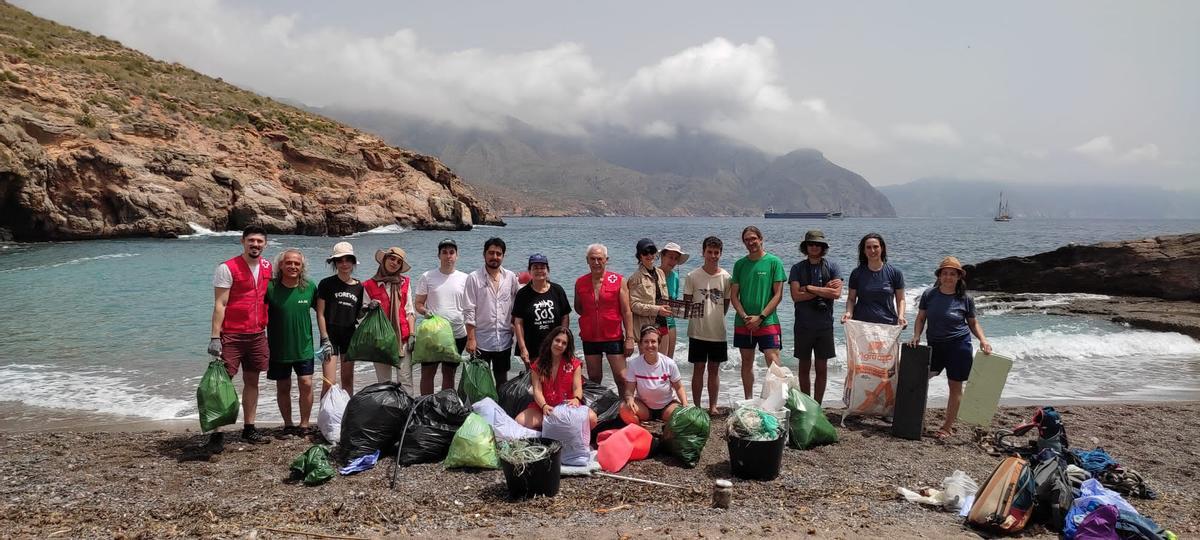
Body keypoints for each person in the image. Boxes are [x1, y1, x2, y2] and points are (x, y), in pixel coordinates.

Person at [909, 256, 992, 440]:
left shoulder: (965, 298)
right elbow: (921, 318)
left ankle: (947, 426)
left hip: (959, 346)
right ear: (939, 276)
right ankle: (914, 419)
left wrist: (983, 340)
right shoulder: (929, 294)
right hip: (935, 345)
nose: (948, 277)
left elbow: (973, 323)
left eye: (952, 274)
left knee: (955, 386)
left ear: (958, 277)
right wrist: (916, 336)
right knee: (918, 380)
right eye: (945, 273)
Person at [208, 225, 273, 450]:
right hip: (232, 335)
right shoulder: (227, 268)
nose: (255, 245)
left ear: (265, 244)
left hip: (257, 334)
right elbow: (220, 304)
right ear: (242, 241)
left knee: (253, 382)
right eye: (251, 240)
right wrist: (215, 337)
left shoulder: (267, 266)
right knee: (222, 383)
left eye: (259, 241)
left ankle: (249, 427)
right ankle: (217, 432)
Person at [265, 249, 317, 438]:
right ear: (281, 265)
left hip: (304, 346)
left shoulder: (309, 287)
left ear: (302, 266)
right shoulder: (270, 287)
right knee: (283, 386)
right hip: (278, 348)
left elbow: (322, 313)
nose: (293, 266)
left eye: (297, 263)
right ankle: (288, 424)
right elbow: (253, 309)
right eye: (289, 263)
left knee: (306, 383)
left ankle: (304, 424)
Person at [730, 226, 787, 399]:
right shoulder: (740, 264)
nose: (751, 242)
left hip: (768, 321)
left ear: (761, 239)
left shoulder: (774, 262)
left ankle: (777, 399)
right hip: (744, 322)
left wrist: (760, 317)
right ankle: (748, 400)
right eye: (747, 239)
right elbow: (734, 296)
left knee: (773, 360)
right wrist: (745, 316)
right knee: (746, 361)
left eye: (753, 238)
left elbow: (778, 295)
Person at [788, 230, 843, 406]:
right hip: (803, 325)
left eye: (818, 244)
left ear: (823, 247)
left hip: (825, 325)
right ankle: (806, 405)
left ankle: (817, 405)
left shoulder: (833, 267)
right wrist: (822, 290)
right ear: (805, 247)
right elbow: (795, 296)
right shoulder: (797, 268)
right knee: (803, 368)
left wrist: (810, 288)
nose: (814, 247)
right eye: (811, 244)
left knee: (822, 368)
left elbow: (836, 293)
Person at [683, 236, 731, 414]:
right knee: (698, 368)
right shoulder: (692, 276)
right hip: (697, 332)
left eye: (716, 252)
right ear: (703, 252)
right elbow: (687, 303)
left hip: (718, 332)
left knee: (714, 369)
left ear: (720, 254)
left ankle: (712, 406)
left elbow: (726, 304)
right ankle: (696, 406)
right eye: (709, 252)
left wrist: (716, 317)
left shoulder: (726, 277)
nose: (713, 256)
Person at [514, 326, 597, 430]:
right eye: (557, 340)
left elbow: (577, 388)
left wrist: (576, 399)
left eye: (564, 343)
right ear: (551, 340)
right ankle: (549, 432)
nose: (559, 345)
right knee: (519, 421)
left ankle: (556, 429)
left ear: (567, 346)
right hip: (544, 408)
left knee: (592, 419)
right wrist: (544, 406)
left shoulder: (574, 364)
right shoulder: (538, 365)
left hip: (568, 407)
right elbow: (537, 391)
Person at [464, 238, 521, 386]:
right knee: (479, 381)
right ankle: (480, 409)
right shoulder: (473, 278)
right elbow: (469, 309)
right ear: (484, 254)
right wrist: (471, 339)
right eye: (491, 253)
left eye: (498, 253)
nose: (494, 257)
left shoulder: (510, 277)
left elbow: (519, 301)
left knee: (502, 379)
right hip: (481, 340)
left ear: (503, 256)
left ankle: (501, 408)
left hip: (504, 340)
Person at [574, 244, 635, 384]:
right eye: (592, 259)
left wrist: (630, 338)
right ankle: (599, 406)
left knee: (622, 377)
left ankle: (624, 404)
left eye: (600, 259)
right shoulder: (580, 282)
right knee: (594, 378)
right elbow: (579, 308)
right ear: (587, 260)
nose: (596, 263)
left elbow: (626, 311)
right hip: (590, 337)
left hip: (613, 336)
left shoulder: (618, 280)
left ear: (606, 259)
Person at [415, 238, 469, 395]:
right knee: (427, 373)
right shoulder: (427, 277)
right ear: (439, 256)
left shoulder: (465, 278)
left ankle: (445, 406)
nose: (448, 256)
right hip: (433, 334)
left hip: (457, 333)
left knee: (449, 374)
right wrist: (425, 312)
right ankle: (426, 405)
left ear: (457, 256)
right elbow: (418, 303)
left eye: (451, 252)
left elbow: (471, 307)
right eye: (444, 252)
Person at [363, 247, 416, 393]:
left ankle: (407, 413)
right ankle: (387, 413)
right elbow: (361, 316)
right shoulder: (368, 285)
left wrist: (412, 334)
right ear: (385, 259)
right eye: (392, 258)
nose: (394, 263)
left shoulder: (405, 282)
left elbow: (410, 310)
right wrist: (369, 308)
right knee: (384, 383)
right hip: (380, 340)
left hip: (403, 338)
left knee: (405, 380)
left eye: (399, 262)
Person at [316, 241, 365, 397]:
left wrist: (367, 310)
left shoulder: (359, 287)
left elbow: (357, 315)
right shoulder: (326, 284)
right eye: (340, 260)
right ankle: (324, 418)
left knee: (348, 379)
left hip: (349, 336)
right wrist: (324, 338)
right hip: (330, 336)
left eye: (347, 259)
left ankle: (346, 416)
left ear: (353, 262)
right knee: (329, 381)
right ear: (335, 263)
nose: (344, 264)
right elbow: (320, 313)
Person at [511, 253, 571, 370]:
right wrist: (523, 348)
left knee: (556, 380)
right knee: (536, 382)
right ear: (529, 271)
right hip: (532, 347)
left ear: (547, 270)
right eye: (535, 268)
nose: (539, 271)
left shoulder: (557, 290)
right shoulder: (522, 294)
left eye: (542, 267)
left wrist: (563, 338)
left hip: (555, 346)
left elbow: (565, 316)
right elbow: (518, 322)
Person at [619, 325, 688, 425]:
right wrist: (629, 399)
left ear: (659, 343)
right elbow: (630, 390)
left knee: (682, 415)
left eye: (653, 341)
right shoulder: (634, 364)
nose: (650, 345)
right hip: (644, 407)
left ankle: (666, 433)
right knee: (624, 409)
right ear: (641, 344)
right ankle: (641, 431)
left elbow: (679, 387)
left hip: (667, 406)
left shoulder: (669, 363)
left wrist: (685, 404)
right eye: (646, 341)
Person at [841, 233, 907, 328]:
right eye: (868, 247)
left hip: (888, 325)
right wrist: (848, 313)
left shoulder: (895, 273)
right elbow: (851, 299)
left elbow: (900, 299)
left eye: (876, 247)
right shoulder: (856, 273)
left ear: (882, 248)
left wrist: (901, 316)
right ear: (864, 250)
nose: (872, 250)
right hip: (861, 326)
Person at [625, 238, 671, 351]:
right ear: (639, 256)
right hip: (646, 328)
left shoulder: (660, 273)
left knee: (662, 362)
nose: (649, 255)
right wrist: (657, 309)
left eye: (652, 251)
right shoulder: (635, 278)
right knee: (647, 364)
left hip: (663, 324)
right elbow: (634, 305)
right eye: (645, 252)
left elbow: (663, 299)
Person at [658, 242, 688, 358]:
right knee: (657, 360)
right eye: (670, 257)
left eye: (676, 259)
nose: (673, 261)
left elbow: (673, 300)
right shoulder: (653, 274)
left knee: (669, 360)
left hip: (671, 322)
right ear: (662, 257)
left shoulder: (675, 276)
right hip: (656, 322)